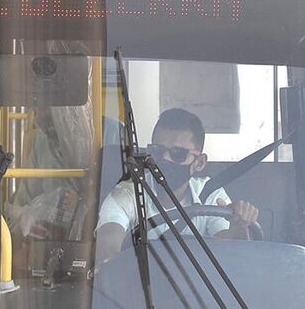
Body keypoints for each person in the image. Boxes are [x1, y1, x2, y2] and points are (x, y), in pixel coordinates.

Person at [95, 108, 260, 265]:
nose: (165, 159)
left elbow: (227, 247)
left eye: (177, 154)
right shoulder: (128, 193)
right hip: (143, 289)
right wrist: (109, 253)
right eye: (158, 151)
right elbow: (109, 238)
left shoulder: (210, 196)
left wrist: (239, 228)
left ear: (200, 163)